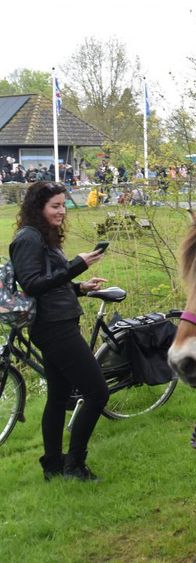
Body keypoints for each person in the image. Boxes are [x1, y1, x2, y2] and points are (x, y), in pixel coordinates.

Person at [9, 181, 108, 481]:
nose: (62, 211)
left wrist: (79, 287)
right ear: (38, 208)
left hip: (57, 322)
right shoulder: (28, 238)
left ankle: (53, 463)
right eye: (55, 206)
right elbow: (32, 284)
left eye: (63, 205)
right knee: (97, 392)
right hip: (54, 328)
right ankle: (75, 465)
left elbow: (50, 284)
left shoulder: (43, 237)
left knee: (57, 395)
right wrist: (77, 265)